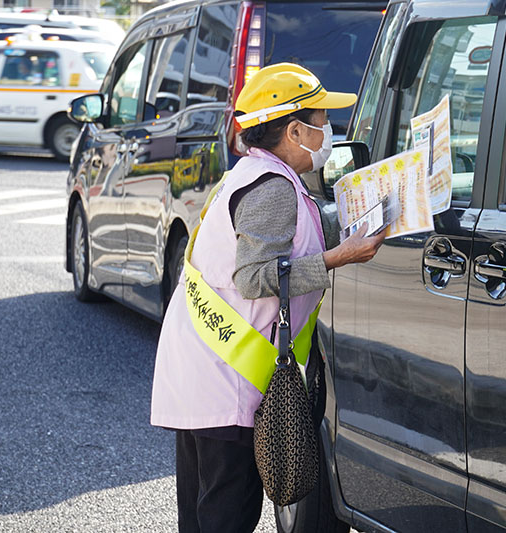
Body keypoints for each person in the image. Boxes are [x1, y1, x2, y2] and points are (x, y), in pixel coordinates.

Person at [150, 62, 386, 532]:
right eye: (321, 121)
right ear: (295, 130)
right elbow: (255, 277)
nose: (328, 132)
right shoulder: (272, 187)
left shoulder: (250, 175)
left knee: (203, 513)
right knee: (226, 513)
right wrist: (339, 259)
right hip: (227, 378)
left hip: (205, 369)